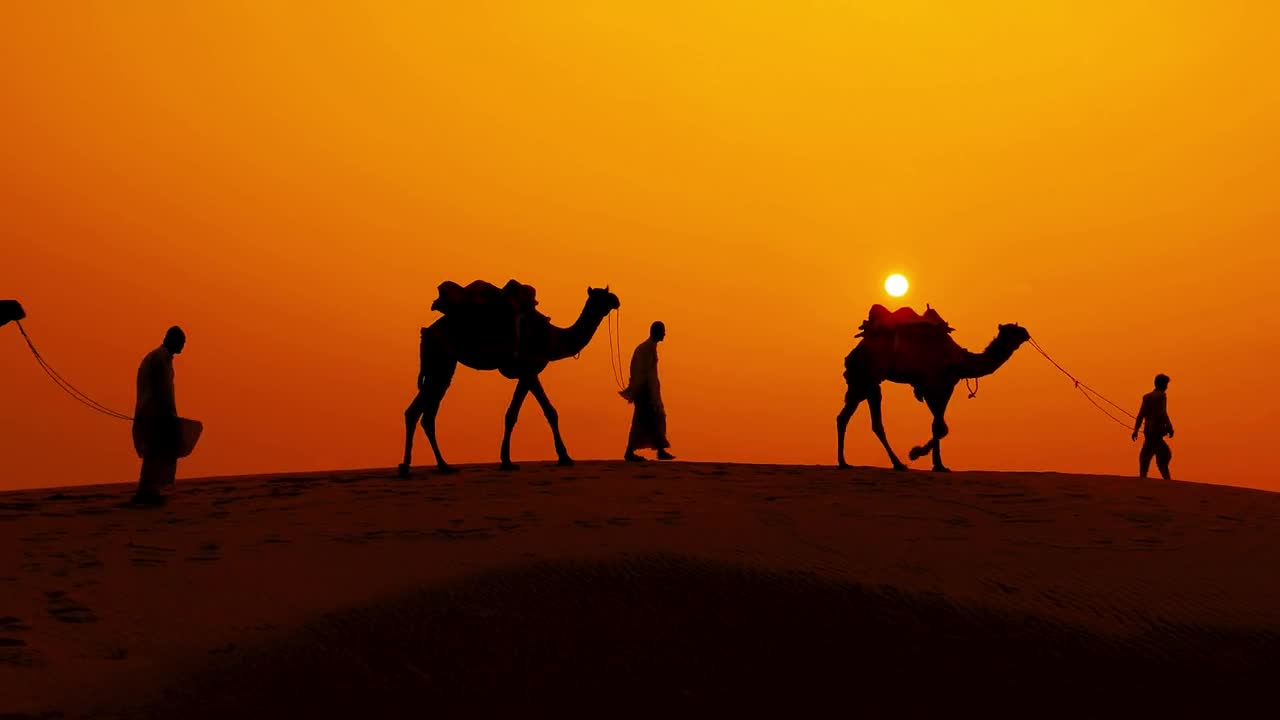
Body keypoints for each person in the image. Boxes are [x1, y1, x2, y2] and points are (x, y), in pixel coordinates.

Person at [131, 326, 187, 505]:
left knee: (155, 452)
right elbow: (162, 389)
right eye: (182, 342)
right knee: (154, 452)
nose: (183, 346)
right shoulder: (160, 359)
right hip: (154, 412)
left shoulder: (158, 357)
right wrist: (168, 413)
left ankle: (149, 490)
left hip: (152, 411)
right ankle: (147, 492)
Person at [620, 321, 674, 462]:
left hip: (648, 391)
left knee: (655, 419)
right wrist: (645, 392)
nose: (664, 334)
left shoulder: (648, 348)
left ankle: (659, 450)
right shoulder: (645, 349)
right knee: (643, 421)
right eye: (662, 331)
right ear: (656, 332)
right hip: (645, 393)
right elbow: (642, 372)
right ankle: (630, 452)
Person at [1132, 373, 1174, 480]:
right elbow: (1162, 412)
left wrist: (1136, 430)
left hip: (1148, 430)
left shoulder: (1147, 397)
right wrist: (1169, 427)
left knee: (1151, 453)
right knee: (1162, 454)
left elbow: (1140, 415)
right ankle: (1164, 480)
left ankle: (1144, 477)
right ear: (1164, 385)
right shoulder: (1161, 396)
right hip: (1156, 430)